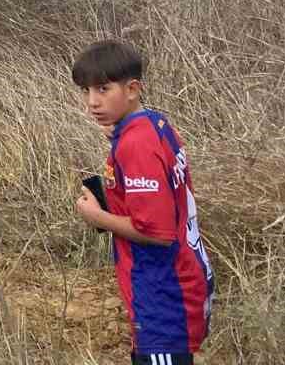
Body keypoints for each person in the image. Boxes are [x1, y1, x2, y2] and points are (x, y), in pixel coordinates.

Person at [71, 38, 214, 365]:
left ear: (132, 89)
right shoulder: (153, 123)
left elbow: (156, 232)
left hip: (165, 294)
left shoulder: (135, 144)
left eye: (103, 89)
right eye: (86, 91)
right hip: (175, 282)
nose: (92, 102)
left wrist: (96, 216)